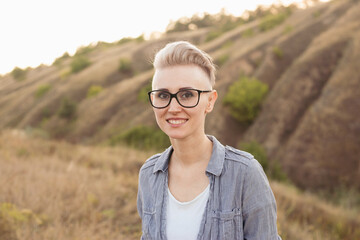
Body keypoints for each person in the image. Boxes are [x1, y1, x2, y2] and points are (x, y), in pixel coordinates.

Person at [137, 41, 281, 240]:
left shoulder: (245, 173)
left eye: (187, 95)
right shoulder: (148, 174)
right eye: (162, 95)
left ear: (210, 101)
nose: (173, 107)